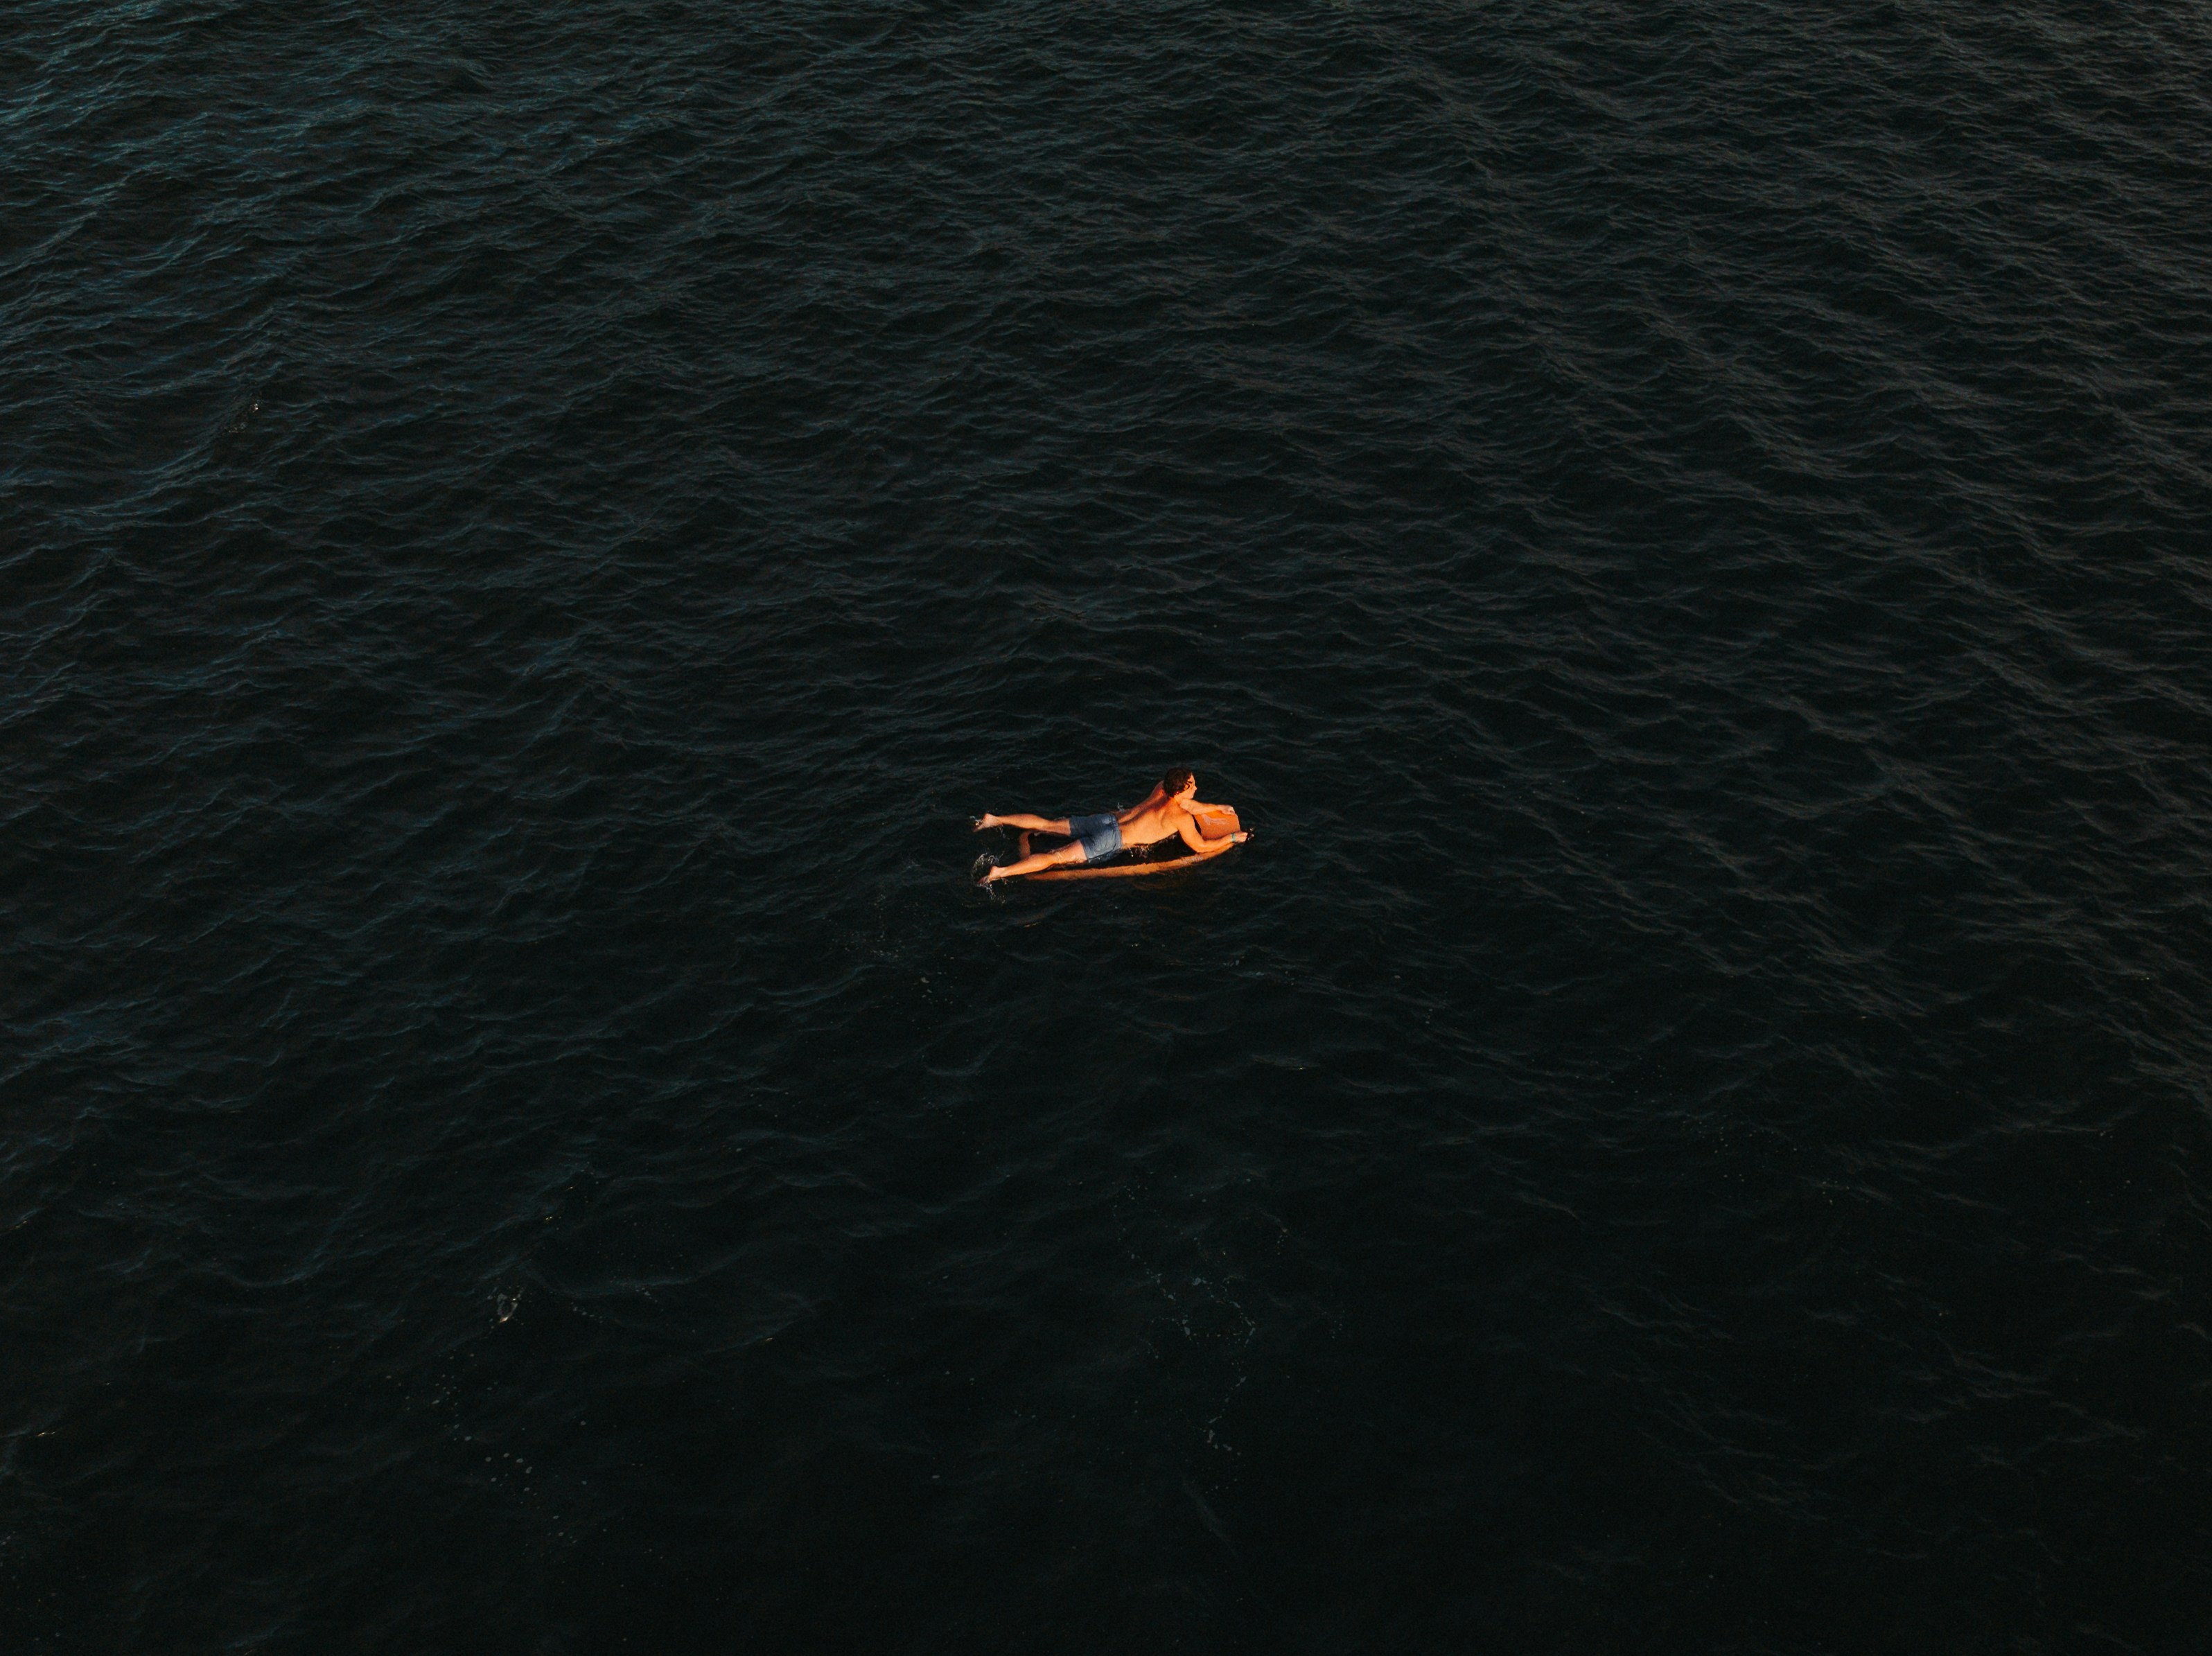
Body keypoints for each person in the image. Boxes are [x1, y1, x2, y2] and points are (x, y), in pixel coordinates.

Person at [975, 766, 1247, 883]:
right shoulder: (1180, 818)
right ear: (1180, 791)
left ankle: (994, 820)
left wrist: (1217, 807)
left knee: (1048, 824)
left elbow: (1190, 804)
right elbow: (1201, 847)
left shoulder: (1162, 789)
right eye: (1193, 785)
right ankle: (1001, 873)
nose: (1197, 787)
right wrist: (1232, 839)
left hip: (1107, 820)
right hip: (1111, 842)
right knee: (1055, 857)